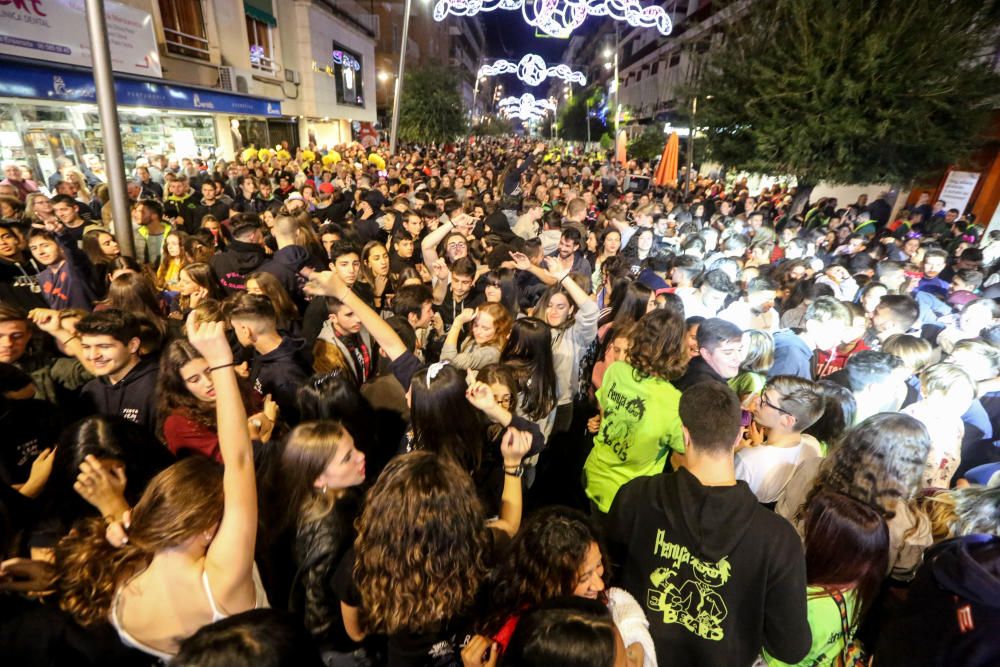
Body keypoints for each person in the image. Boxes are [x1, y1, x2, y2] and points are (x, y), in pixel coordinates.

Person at [55, 314, 266, 660]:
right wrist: (220, 361)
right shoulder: (222, 579)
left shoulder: (120, 585)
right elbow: (239, 459)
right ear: (211, 529)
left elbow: (136, 546)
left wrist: (115, 512)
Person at [607, 381, 811, 666]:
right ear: (739, 436)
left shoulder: (637, 495)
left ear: (685, 435)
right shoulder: (777, 538)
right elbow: (791, 647)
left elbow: (606, 578)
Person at [777, 413, 933, 579]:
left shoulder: (811, 469)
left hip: (781, 571)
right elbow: (902, 574)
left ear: (855, 439)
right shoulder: (913, 526)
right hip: (841, 600)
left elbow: (780, 519)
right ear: (912, 466)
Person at [584, 308, 688, 517]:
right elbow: (684, 454)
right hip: (627, 497)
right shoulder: (673, 401)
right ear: (676, 350)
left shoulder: (616, 370)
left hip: (593, 475)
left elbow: (605, 415)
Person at [735, 375, 825, 505]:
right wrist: (758, 445)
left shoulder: (748, 460)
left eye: (765, 401)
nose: (756, 401)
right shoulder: (812, 445)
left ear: (787, 420)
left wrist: (734, 452)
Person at [229, 292, 310, 422]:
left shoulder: (285, 377)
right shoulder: (267, 351)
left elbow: (299, 424)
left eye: (235, 329)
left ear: (246, 330)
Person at [77, 309, 160, 436]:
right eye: (86, 347)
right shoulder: (90, 391)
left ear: (133, 345)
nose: (93, 355)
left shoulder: (159, 387)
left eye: (104, 346)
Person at [770, 297, 851, 380]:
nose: (839, 341)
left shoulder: (805, 351)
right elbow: (773, 391)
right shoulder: (790, 355)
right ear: (812, 326)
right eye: (834, 332)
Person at [675, 318, 744, 390]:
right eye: (728, 352)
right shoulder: (709, 389)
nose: (739, 358)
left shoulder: (691, 368)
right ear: (706, 353)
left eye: (739, 350)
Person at [440, 302, 512, 371]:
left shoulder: (491, 353)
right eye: (476, 325)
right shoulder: (472, 340)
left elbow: (446, 362)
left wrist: (458, 322)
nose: (478, 331)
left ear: (499, 330)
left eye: (485, 328)